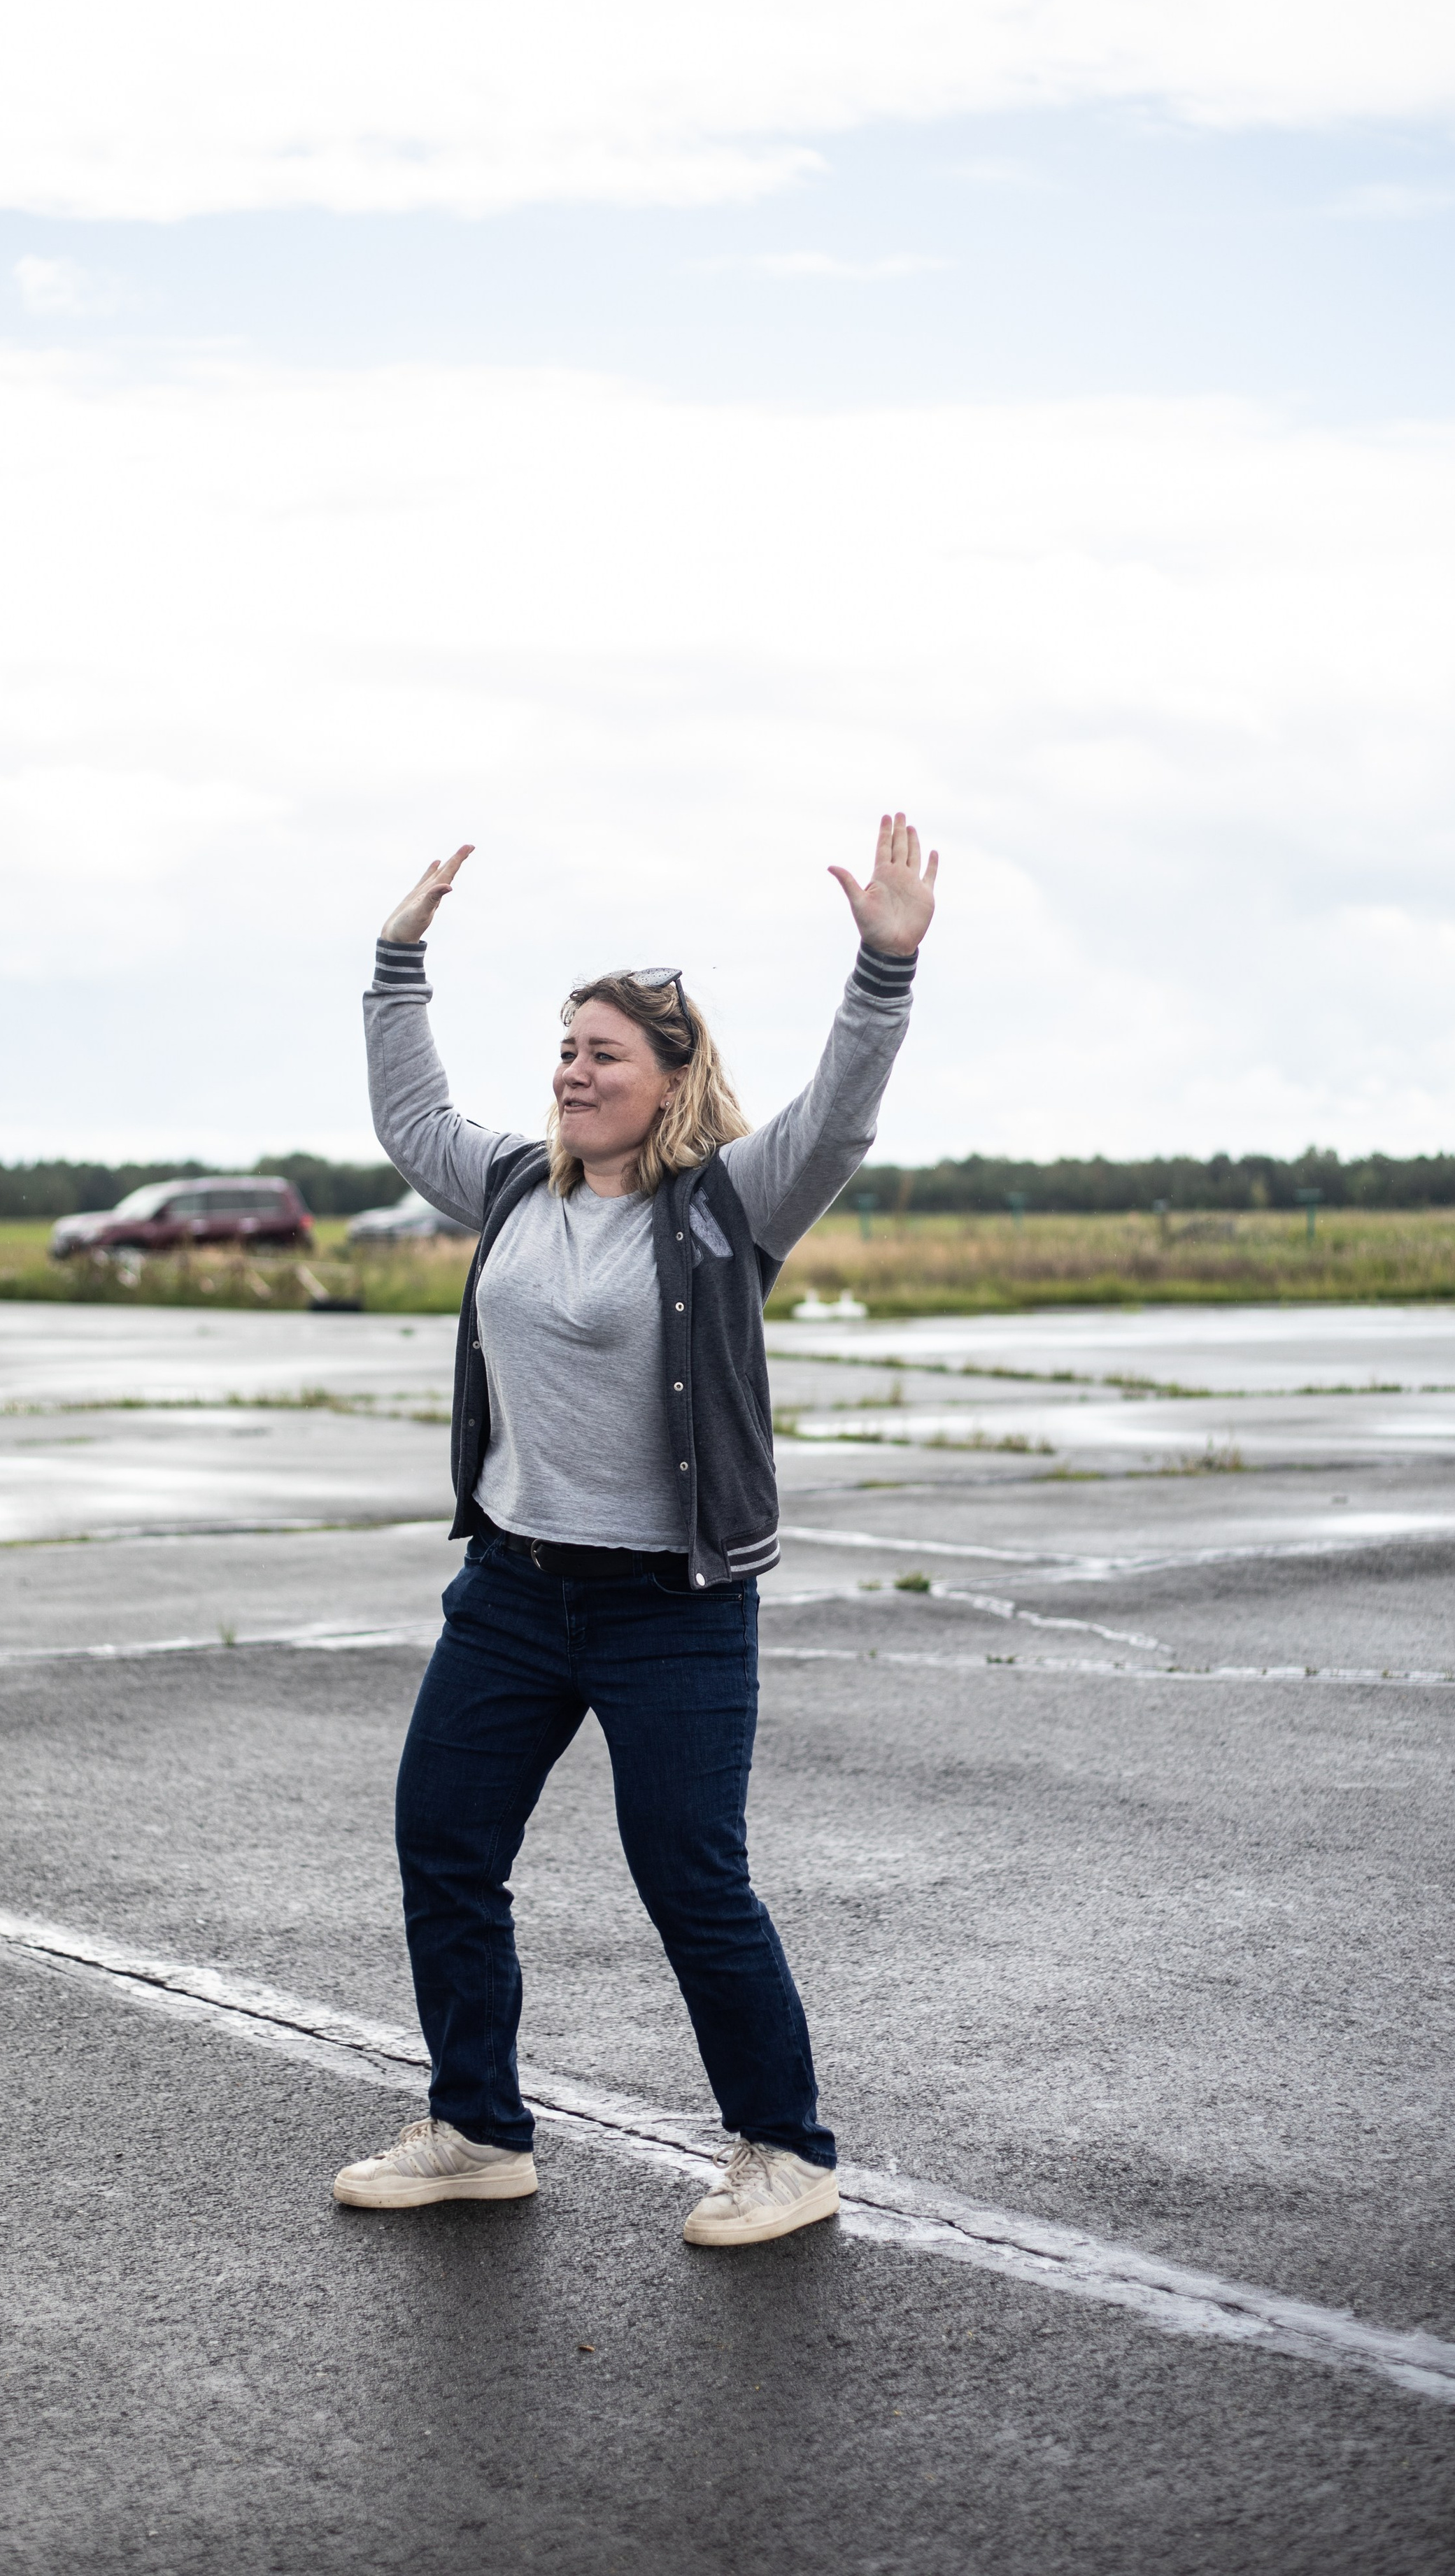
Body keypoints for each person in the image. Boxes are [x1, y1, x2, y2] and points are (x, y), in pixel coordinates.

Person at [334, 816, 937, 2246]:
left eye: (602, 1052)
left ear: (670, 1076)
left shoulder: (728, 1203)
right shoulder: (508, 1186)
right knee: (443, 1844)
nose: (572, 1070)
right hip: (510, 1588)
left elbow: (840, 1117)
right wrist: (397, 958)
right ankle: (478, 2129)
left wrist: (884, 968)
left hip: (670, 1603)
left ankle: (785, 2150)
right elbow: (409, 1116)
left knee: (689, 1876)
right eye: (563, 1048)